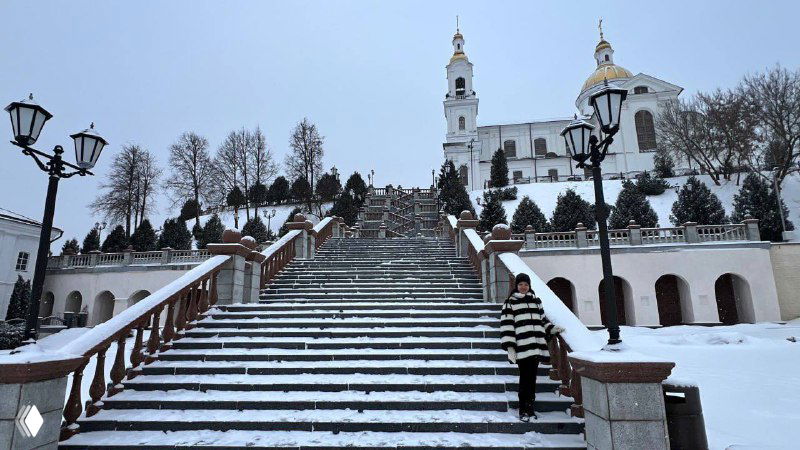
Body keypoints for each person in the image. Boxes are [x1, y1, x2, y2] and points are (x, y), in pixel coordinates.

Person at [500, 273, 564, 422]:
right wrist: (510, 347)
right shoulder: (510, 303)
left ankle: (530, 408)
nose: (523, 287)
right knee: (525, 379)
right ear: (516, 286)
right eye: (521, 284)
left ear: (529, 286)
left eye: (526, 284)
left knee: (532, 379)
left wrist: (552, 328)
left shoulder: (536, 301)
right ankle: (523, 410)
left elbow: (542, 321)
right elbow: (507, 326)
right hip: (522, 348)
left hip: (536, 347)